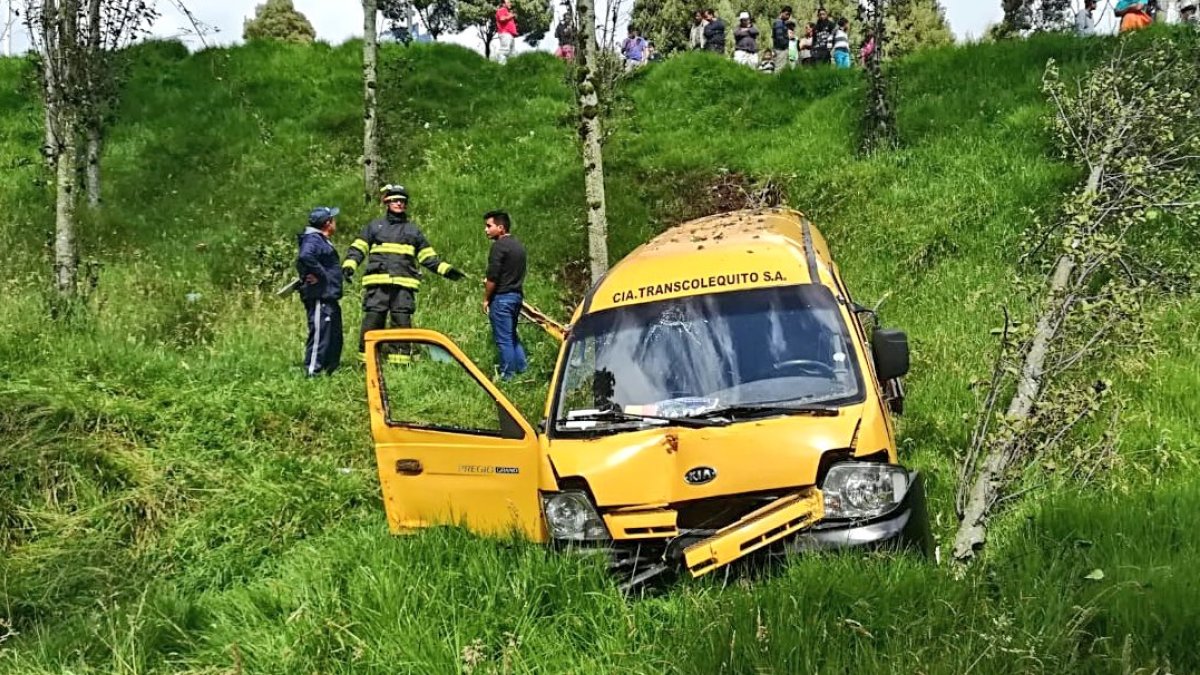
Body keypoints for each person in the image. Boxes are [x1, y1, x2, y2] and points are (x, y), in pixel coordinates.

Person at [342, 184, 465, 364]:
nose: (399, 204)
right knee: (373, 322)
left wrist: (446, 270)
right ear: (387, 202)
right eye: (395, 200)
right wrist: (349, 266)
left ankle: (399, 364)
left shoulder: (412, 231)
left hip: (403, 287)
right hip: (377, 285)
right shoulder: (375, 226)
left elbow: (427, 257)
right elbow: (358, 248)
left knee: (401, 325)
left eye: (402, 201)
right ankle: (367, 361)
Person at [297, 206, 344, 377]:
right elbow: (305, 256)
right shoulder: (313, 240)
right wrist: (321, 274)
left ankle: (329, 370)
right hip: (319, 296)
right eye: (333, 219)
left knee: (333, 336)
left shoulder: (321, 240)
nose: (335, 222)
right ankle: (312, 372)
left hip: (329, 296)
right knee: (320, 335)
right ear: (327, 223)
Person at [483, 211, 528, 381]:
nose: (485, 230)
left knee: (504, 341)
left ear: (500, 228)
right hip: (516, 296)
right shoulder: (518, 246)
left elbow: (493, 277)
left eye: (489, 226)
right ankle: (523, 370)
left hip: (501, 299)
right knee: (512, 336)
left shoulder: (499, 247)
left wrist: (486, 298)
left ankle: (507, 376)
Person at [771, 6, 792, 73]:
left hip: (779, 48)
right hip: (780, 49)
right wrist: (787, 43)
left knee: (780, 68)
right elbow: (779, 37)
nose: (788, 16)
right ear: (781, 13)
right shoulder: (779, 23)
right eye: (786, 14)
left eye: (789, 15)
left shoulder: (782, 23)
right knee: (779, 69)